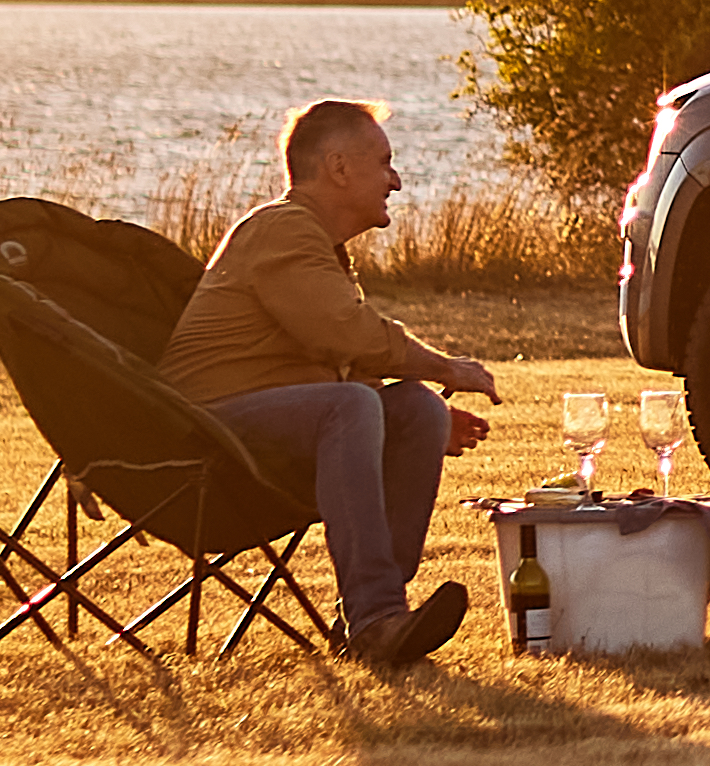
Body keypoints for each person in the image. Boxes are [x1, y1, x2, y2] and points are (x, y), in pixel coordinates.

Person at [160, 97, 497, 665]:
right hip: (203, 429)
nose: (396, 179)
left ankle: (370, 613)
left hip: (263, 421)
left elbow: (331, 356)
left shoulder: (313, 242)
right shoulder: (285, 229)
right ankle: (376, 618)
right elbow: (346, 332)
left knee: (414, 408)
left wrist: (427, 411)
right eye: (385, 162)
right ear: (339, 168)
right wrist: (447, 368)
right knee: (351, 407)